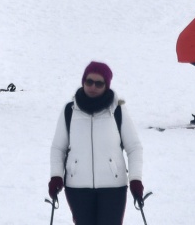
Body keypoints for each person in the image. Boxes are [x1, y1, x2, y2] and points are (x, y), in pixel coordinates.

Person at [48, 62, 146, 225]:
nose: (93, 86)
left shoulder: (117, 110)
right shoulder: (70, 111)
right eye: (89, 81)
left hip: (113, 187)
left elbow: (134, 147)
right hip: (77, 187)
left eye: (99, 83)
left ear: (106, 86)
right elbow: (58, 148)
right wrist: (56, 176)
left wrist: (135, 179)